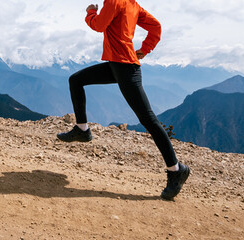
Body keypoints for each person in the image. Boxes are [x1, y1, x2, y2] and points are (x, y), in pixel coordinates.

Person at [56, 0, 190, 201]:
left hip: (125, 69)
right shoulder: (132, 4)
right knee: (76, 80)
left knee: (149, 120)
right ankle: (82, 130)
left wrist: (91, 12)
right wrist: (145, 49)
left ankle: (176, 170)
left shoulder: (114, 1)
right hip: (117, 66)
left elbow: (98, 25)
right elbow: (156, 27)